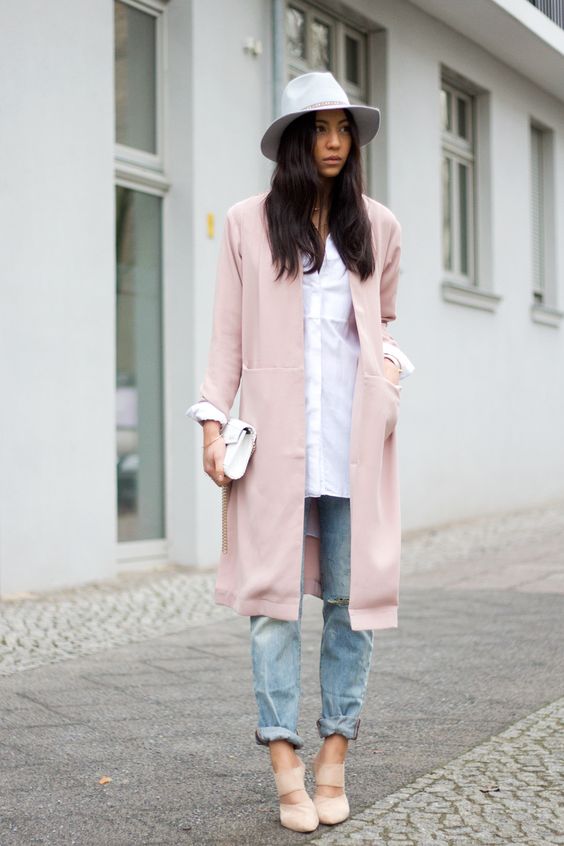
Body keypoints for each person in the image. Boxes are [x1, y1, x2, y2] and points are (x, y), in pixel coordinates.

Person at [186, 71, 414, 833]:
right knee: (271, 608)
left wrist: (387, 377)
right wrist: (212, 423)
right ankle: (284, 758)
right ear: (292, 140)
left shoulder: (377, 226)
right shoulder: (247, 225)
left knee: (352, 606)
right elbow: (227, 335)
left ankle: (334, 756)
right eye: (319, 129)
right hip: (274, 444)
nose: (334, 143)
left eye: (344, 129)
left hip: (354, 443)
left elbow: (384, 321)